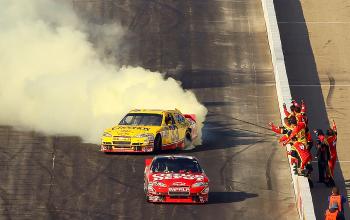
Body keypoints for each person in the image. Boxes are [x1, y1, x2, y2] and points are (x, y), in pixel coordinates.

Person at [326, 120, 338, 185]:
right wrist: (334, 124)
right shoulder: (335, 137)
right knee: (332, 168)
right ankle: (330, 179)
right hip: (334, 154)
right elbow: (335, 130)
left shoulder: (328, 140)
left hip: (330, 155)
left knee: (329, 169)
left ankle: (331, 181)